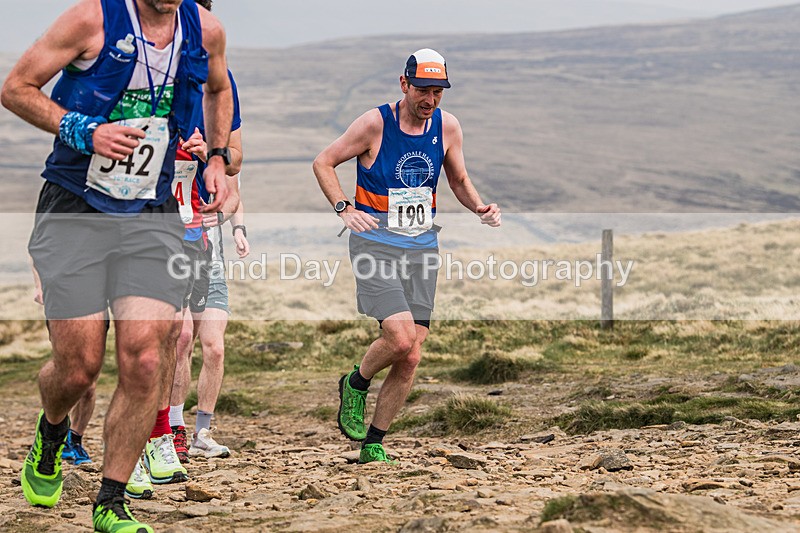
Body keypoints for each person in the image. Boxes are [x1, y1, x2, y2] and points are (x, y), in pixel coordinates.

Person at [1, 0, 233, 530]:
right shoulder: (92, 20)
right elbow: (15, 88)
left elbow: (219, 90)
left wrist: (216, 157)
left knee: (146, 360)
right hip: (75, 206)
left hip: (152, 215)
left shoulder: (206, 30)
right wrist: (86, 131)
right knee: (78, 368)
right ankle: (53, 428)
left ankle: (110, 501)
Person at [313, 48, 501, 464]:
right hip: (375, 244)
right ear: (404, 84)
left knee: (412, 352)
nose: (429, 99)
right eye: (422, 90)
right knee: (398, 337)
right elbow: (324, 162)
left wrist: (480, 207)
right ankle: (356, 384)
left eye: (437, 92)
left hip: (421, 247)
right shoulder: (374, 124)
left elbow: (459, 179)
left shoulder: (448, 127)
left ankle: (375, 441)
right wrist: (345, 207)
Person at [34, 264, 96, 466]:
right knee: (69, 373)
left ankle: (74, 440)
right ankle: (53, 433)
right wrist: (39, 286)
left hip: (95, 300)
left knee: (89, 385)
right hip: (61, 296)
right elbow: (37, 251)